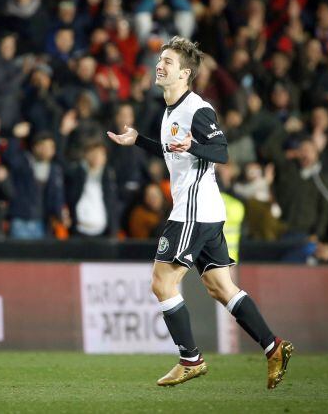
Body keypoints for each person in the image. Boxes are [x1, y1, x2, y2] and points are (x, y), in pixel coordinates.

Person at [108, 36, 292, 389]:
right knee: (221, 287)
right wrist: (140, 141)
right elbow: (172, 152)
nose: (159, 65)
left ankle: (190, 359)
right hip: (205, 209)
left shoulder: (197, 108)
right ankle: (274, 348)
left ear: (185, 73)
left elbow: (222, 152)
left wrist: (197, 145)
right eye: (160, 59)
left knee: (162, 282)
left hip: (193, 209)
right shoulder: (169, 109)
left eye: (168, 62)